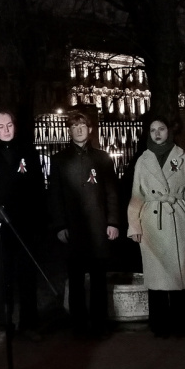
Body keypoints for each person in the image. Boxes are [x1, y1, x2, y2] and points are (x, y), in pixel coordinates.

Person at [127, 115, 185, 337]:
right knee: (156, 277)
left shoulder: (182, 158)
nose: (157, 133)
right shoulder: (143, 160)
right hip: (151, 223)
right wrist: (134, 226)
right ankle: (159, 326)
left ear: (169, 131)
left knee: (178, 276)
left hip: (177, 219)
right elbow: (136, 195)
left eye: (161, 129)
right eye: (152, 130)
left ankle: (180, 325)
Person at [49, 109, 121, 338]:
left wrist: (113, 222)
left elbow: (111, 192)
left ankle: (99, 325)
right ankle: (79, 326)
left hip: (98, 227)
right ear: (69, 131)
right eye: (74, 126)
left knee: (99, 279)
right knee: (76, 280)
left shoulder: (102, 158)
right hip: (73, 230)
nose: (78, 130)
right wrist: (60, 225)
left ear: (90, 129)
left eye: (82, 126)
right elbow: (55, 196)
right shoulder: (59, 160)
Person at [0, 109, 44, 334]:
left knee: (27, 278)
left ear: (15, 126)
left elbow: (38, 190)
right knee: (3, 279)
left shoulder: (29, 153)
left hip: (25, 227)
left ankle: (29, 324)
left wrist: (39, 225)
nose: (6, 130)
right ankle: (5, 323)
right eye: (1, 127)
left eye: (9, 125)